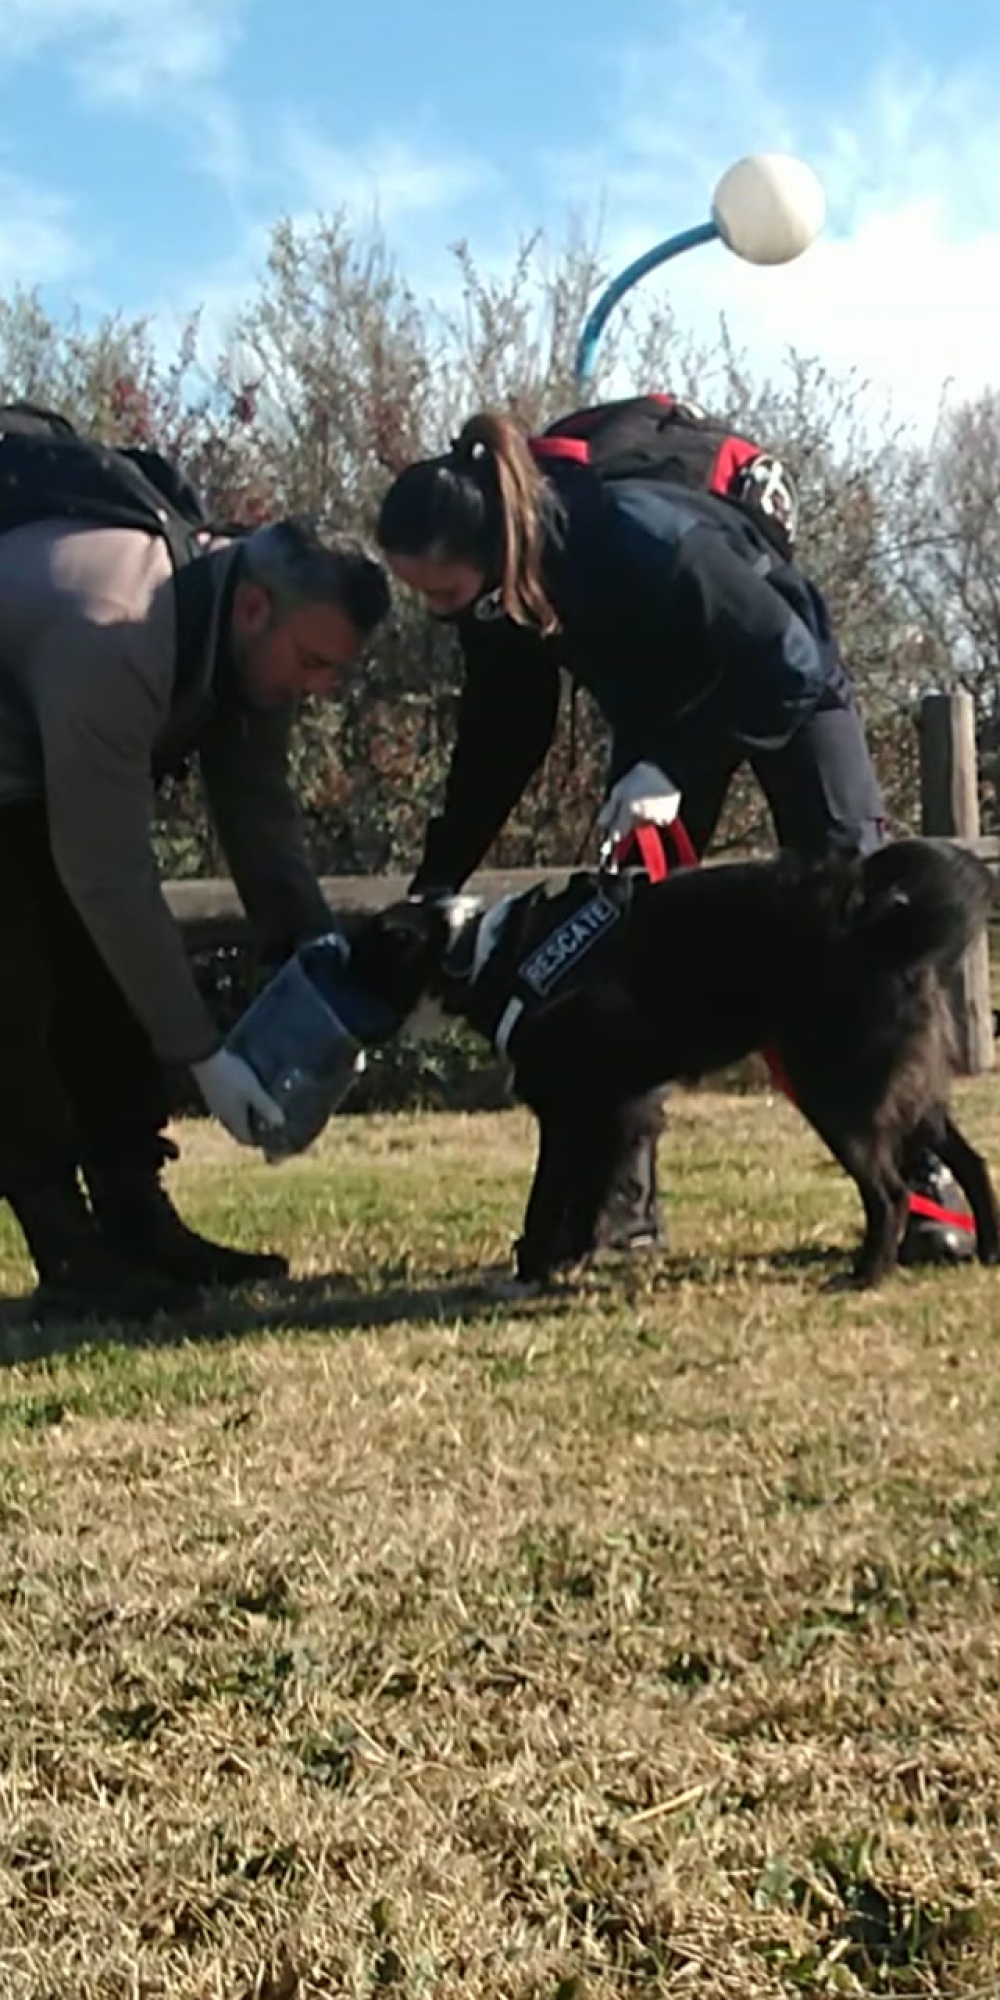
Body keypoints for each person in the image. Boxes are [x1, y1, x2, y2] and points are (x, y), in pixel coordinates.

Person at [375, 410, 973, 1270]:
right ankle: (617, 1208)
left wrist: (671, 768)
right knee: (614, 944)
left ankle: (922, 1191)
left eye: (437, 590)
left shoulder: (640, 535)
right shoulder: (497, 598)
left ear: (491, 541)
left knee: (860, 911)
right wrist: (436, 881)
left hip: (785, 678)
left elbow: (784, 662)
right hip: (663, 717)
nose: (435, 613)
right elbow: (501, 745)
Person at [0, 512, 391, 1320]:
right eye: (312, 663)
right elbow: (108, 878)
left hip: (32, 746)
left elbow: (259, 817)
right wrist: (203, 1057)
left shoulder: (241, 636)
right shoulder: (118, 633)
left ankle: (138, 1220)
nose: (315, 688)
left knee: (103, 974)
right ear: (254, 609)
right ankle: (66, 1246)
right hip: (20, 747)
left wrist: (318, 970)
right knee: (15, 988)